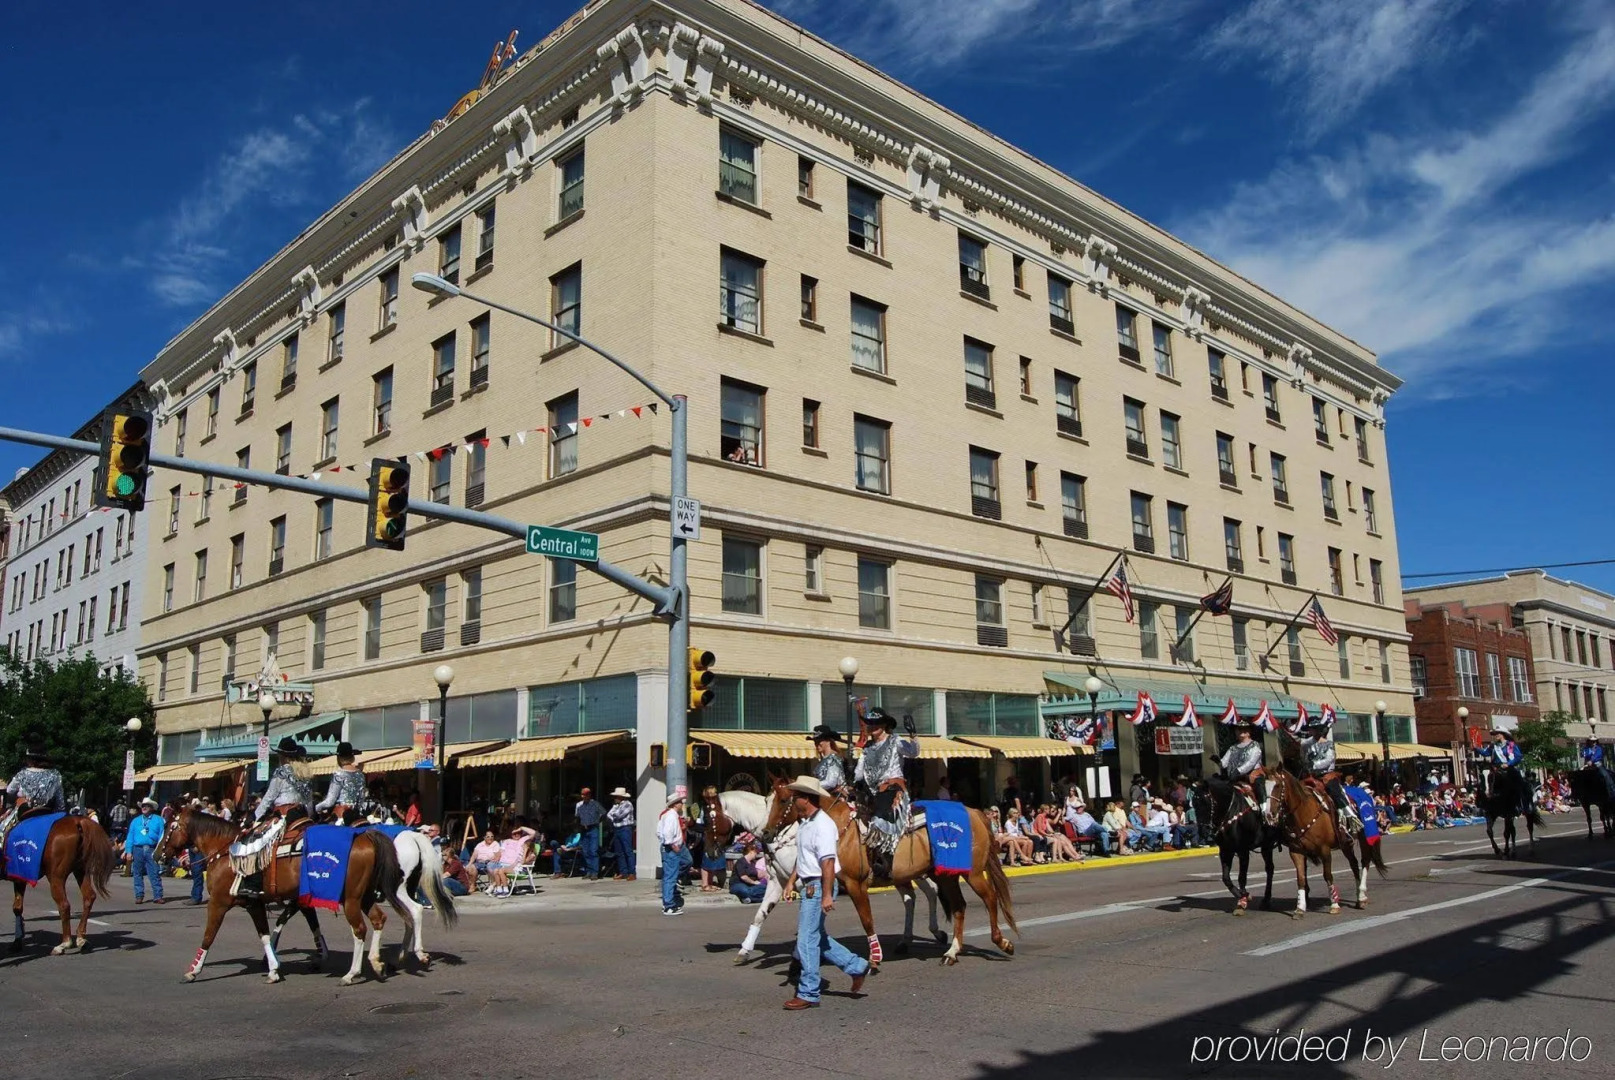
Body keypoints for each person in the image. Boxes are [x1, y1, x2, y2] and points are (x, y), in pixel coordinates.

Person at [780, 775, 870, 1010]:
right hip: (811, 883)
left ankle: (809, 991)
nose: (793, 799)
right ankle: (856, 966)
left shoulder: (823, 825)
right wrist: (791, 882)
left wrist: (827, 894)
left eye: (797, 796)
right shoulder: (806, 823)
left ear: (807, 799)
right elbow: (804, 858)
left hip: (818, 885)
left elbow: (828, 863)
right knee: (817, 936)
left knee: (806, 939)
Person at [852, 706, 918, 880]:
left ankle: (886, 862)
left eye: (875, 724)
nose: (871, 727)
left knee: (879, 819)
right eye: (869, 724)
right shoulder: (867, 748)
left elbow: (913, 752)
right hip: (873, 792)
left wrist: (913, 736)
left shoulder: (895, 741)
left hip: (893, 789)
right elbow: (859, 773)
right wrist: (852, 769)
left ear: (884, 725)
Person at [1296, 721, 1361, 835]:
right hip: (1312, 776)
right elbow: (1303, 758)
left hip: (1327, 775)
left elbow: (1328, 760)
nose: (1312, 731)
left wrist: (1314, 764)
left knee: (1334, 791)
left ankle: (1348, 815)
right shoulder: (1306, 745)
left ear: (1320, 730)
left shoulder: (1329, 744)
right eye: (1311, 729)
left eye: (1315, 729)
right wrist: (1305, 762)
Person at [253, 738, 314, 823]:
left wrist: (256, 816)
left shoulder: (281, 771)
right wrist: (310, 816)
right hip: (303, 815)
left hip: (284, 815)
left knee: (261, 835)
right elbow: (309, 799)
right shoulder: (305, 773)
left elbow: (270, 796)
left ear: (282, 756)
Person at [123, 797, 166, 905]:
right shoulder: (136, 821)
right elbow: (130, 837)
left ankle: (158, 895)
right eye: (142, 806)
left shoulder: (158, 820)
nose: (144, 807)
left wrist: (160, 850)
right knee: (137, 873)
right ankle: (139, 895)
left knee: (154, 873)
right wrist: (128, 851)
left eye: (146, 806)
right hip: (137, 849)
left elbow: (163, 836)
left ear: (151, 808)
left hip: (151, 848)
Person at [314, 742, 369, 823]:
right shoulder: (360, 775)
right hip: (355, 815)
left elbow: (330, 802)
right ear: (352, 757)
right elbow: (361, 799)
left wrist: (317, 807)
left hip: (341, 816)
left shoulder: (338, 774)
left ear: (338, 757)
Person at [1476, 728, 1528, 814]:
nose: (1496, 735)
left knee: (1519, 782)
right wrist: (1476, 748)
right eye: (1495, 734)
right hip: (1496, 768)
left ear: (1503, 734)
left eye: (1498, 733)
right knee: (1487, 779)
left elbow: (1518, 757)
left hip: (1508, 767)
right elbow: (1485, 753)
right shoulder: (1494, 746)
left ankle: (1523, 805)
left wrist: (1509, 763)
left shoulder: (1511, 745)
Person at [1219, 724, 1266, 814]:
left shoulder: (1255, 746)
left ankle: (1264, 810)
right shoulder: (1233, 748)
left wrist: (1238, 771)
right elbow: (1224, 763)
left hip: (1251, 775)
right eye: (1239, 729)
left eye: (1245, 729)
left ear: (1249, 731)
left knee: (1259, 787)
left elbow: (1251, 763)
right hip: (1234, 777)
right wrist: (1218, 762)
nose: (1241, 731)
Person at [657, 791, 687, 915]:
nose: (682, 804)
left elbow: (659, 832)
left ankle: (669, 902)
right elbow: (668, 834)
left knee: (669, 876)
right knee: (670, 877)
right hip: (671, 849)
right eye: (680, 802)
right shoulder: (671, 816)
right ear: (675, 804)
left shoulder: (666, 815)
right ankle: (668, 905)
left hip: (668, 848)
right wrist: (674, 846)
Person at [574, 787, 606, 880]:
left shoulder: (595, 804)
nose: (583, 796)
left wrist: (598, 821)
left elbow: (603, 813)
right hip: (584, 829)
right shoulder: (580, 806)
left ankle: (595, 872)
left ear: (589, 795)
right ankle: (589, 871)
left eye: (585, 794)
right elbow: (577, 816)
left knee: (593, 850)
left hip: (593, 828)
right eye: (582, 794)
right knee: (585, 851)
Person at [807, 725, 848, 797]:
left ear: (828, 741)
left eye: (819, 740)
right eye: (815, 741)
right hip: (824, 795)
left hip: (836, 797)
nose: (816, 744)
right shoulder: (824, 760)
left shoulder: (833, 759)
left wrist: (811, 785)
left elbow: (831, 782)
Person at [607, 787, 637, 881]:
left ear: (621, 797)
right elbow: (609, 814)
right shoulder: (616, 805)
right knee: (619, 851)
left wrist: (614, 815)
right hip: (617, 828)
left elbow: (619, 815)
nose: (615, 798)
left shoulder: (628, 804)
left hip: (625, 828)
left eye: (616, 796)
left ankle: (632, 872)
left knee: (628, 850)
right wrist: (614, 815)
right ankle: (623, 872)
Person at [471, 829, 510, 896]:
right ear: (484, 838)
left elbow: (498, 855)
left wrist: (495, 860)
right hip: (480, 863)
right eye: (488, 836)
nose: (490, 838)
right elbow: (474, 855)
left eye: (492, 836)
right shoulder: (480, 844)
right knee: (471, 867)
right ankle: (472, 885)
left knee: (490, 866)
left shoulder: (495, 844)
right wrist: (470, 863)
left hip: (490, 862)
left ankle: (493, 885)